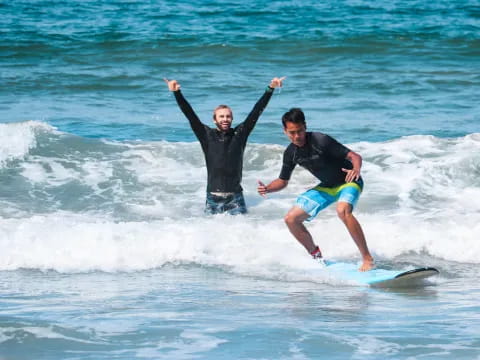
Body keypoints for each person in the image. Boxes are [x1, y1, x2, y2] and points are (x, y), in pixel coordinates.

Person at [257, 108, 374, 271]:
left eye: (300, 131)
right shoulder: (291, 153)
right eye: (292, 133)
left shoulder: (321, 140)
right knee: (291, 219)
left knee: (343, 211)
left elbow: (355, 156)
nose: (297, 136)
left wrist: (356, 169)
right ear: (285, 131)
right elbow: (283, 181)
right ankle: (317, 258)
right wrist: (267, 188)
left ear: (305, 126)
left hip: (348, 182)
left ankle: (367, 259)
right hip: (327, 187)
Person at [165, 76, 285, 215]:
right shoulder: (206, 135)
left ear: (232, 119)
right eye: (221, 116)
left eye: (228, 116)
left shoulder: (240, 134)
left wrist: (270, 89)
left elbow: (256, 112)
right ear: (214, 120)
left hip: (235, 197)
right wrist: (176, 93)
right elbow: (190, 114)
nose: (225, 119)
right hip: (212, 197)